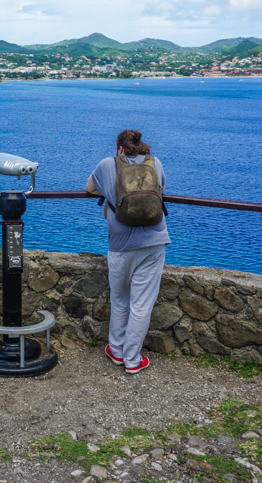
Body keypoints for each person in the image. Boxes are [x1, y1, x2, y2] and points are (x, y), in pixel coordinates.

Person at [86, 129, 170, 373]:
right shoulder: (156, 163)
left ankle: (116, 350)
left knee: (120, 299)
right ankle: (133, 360)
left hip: (120, 245)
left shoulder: (107, 164)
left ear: (119, 148)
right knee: (142, 304)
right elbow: (161, 191)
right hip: (153, 242)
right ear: (142, 147)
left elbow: (90, 188)